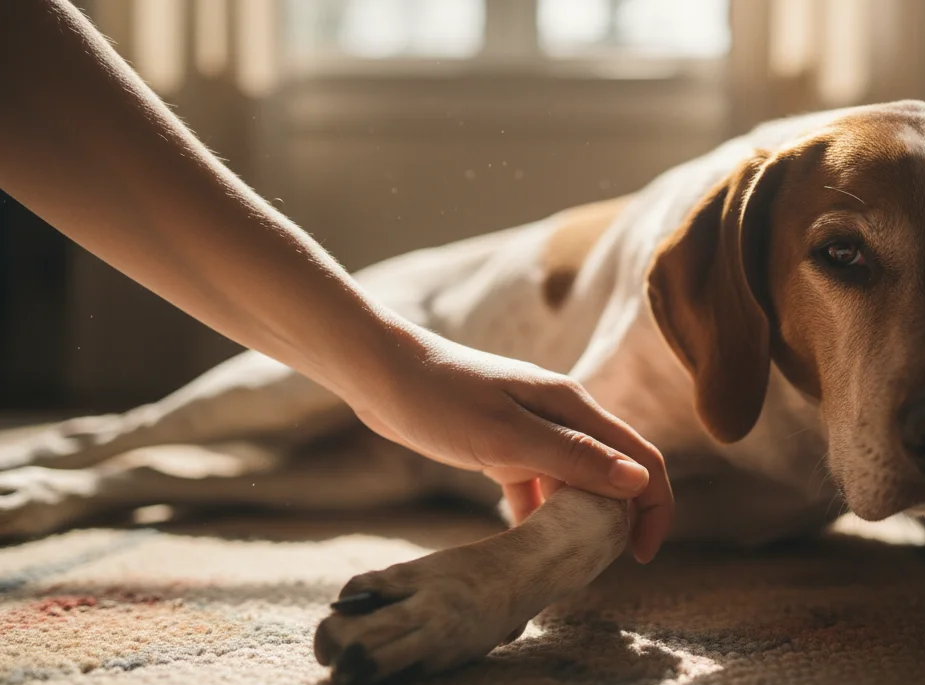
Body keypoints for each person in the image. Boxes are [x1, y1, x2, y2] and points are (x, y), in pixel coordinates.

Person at [0, 0, 674, 562]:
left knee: (280, 467)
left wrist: (392, 372)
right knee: (175, 425)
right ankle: (72, 453)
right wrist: (393, 367)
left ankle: (90, 482)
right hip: (423, 322)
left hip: (417, 413)